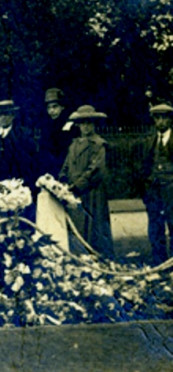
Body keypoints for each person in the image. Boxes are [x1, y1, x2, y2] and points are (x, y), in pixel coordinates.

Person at [59, 104, 113, 258]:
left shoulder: (99, 144)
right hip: (74, 192)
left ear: (94, 124)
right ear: (78, 125)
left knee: (95, 225)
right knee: (77, 225)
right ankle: (80, 257)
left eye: (89, 123)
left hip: (92, 191)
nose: (86, 126)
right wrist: (63, 180)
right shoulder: (74, 144)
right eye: (82, 123)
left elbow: (96, 170)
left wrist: (77, 185)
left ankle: (100, 257)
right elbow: (66, 165)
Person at [139, 102, 173, 264]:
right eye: (157, 118)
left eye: (164, 118)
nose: (160, 122)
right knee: (155, 227)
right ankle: (159, 263)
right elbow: (143, 168)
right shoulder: (150, 141)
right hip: (154, 193)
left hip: (171, 192)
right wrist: (146, 191)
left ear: (170, 120)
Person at [0, 99, 37, 188]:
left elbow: (29, 161)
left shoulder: (23, 134)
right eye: (0, 115)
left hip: (17, 183)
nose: (3, 118)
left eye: (6, 114)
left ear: (13, 116)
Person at [38, 88, 74, 178]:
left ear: (62, 107)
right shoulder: (46, 126)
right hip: (49, 171)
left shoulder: (70, 125)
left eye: (55, 107)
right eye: (49, 107)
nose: (51, 111)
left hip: (67, 171)